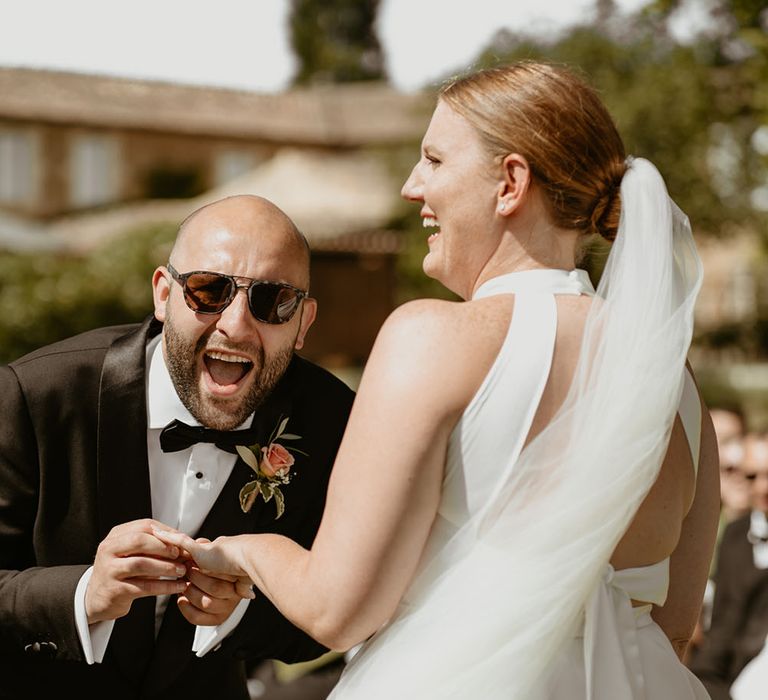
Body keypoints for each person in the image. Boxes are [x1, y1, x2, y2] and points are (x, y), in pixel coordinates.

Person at [154, 61, 720, 699]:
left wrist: (242, 550)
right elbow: (673, 628)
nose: (410, 186)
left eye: (434, 160)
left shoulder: (435, 337)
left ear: (510, 183)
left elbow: (339, 610)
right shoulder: (677, 380)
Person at [0, 194, 355, 699]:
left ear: (303, 322)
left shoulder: (336, 424)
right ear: (163, 294)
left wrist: (238, 617)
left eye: (272, 301)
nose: (235, 325)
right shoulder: (34, 396)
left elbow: (337, 610)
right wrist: (83, 594)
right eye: (209, 290)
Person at [689, 431, 768, 699]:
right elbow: (724, 628)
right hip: (733, 679)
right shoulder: (736, 535)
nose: (762, 488)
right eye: (752, 477)